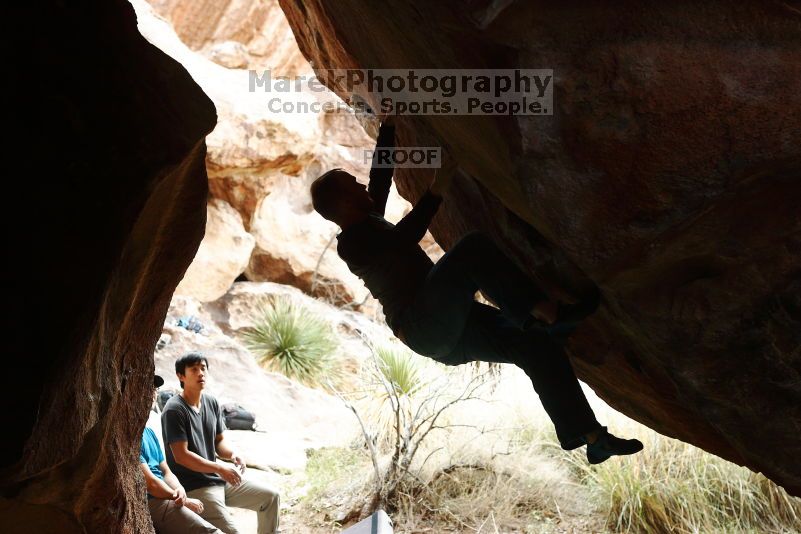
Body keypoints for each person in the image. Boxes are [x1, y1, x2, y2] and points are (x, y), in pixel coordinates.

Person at [310, 117, 643, 464]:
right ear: (344, 204)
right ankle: (548, 312)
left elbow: (380, 177)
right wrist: (438, 188)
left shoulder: (366, 219)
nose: (363, 188)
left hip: (447, 329)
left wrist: (388, 125)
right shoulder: (354, 244)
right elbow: (402, 238)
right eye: (354, 186)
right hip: (424, 325)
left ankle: (592, 437)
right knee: (472, 249)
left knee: (536, 345)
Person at [162, 353, 280, 533]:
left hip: (217, 480)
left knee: (270, 497)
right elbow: (181, 456)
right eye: (194, 369)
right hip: (194, 486)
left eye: (203, 368)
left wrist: (233, 455)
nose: (201, 373)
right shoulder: (174, 409)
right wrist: (219, 468)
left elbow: (219, 441)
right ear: (181, 376)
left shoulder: (211, 402)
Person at [140, 374, 221, 534]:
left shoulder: (148, 431)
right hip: (153, 501)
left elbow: (165, 471)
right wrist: (181, 499)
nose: (152, 393)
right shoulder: (129, 437)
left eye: (154, 388)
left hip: (166, 496)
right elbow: (150, 484)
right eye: (146, 387)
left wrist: (180, 490)